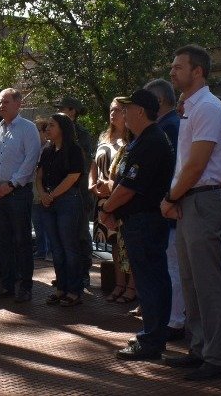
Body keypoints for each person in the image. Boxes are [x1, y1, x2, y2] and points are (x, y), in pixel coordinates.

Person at [160, 44, 221, 381]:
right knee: (191, 283)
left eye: (178, 67)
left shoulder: (207, 106)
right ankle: (201, 349)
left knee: (208, 283)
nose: (172, 72)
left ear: (198, 71)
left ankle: (217, 357)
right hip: (190, 200)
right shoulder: (191, 107)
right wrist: (177, 197)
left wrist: (170, 197)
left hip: (201, 199)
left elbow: (196, 164)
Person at [99, 89, 176, 361]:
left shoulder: (151, 141)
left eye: (128, 108)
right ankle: (153, 334)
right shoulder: (144, 140)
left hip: (144, 221)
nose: (123, 113)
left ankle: (153, 339)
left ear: (140, 111)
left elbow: (128, 187)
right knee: (151, 279)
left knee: (149, 280)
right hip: (139, 220)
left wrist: (107, 209)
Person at [0, 89, 40, 303]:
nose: (1, 105)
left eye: (6, 101)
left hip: (17, 192)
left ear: (18, 104)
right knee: (2, 240)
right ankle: (7, 284)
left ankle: (25, 285)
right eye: (0, 102)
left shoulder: (28, 128)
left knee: (21, 240)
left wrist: (12, 184)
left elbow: (31, 159)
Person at [144, 77, 185, 340]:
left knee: (173, 267)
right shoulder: (170, 125)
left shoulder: (168, 127)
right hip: (168, 207)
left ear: (157, 101)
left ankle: (175, 320)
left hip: (169, 208)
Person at [37, 113, 87, 307]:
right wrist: (42, 194)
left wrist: (52, 195)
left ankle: (74, 291)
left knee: (69, 246)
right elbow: (39, 175)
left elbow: (73, 177)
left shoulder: (74, 150)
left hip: (67, 201)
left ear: (63, 128)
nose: (47, 129)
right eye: (47, 125)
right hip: (49, 201)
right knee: (56, 248)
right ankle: (61, 288)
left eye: (52, 125)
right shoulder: (47, 150)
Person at [91, 98, 136, 305]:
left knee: (128, 243)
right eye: (110, 110)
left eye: (117, 110)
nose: (113, 113)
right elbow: (93, 165)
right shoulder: (103, 136)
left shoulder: (132, 139)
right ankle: (119, 284)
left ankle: (132, 287)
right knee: (115, 245)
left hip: (121, 196)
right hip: (101, 197)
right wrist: (91, 185)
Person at [54, 96, 95, 288]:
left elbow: (85, 163)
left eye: (63, 108)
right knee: (62, 237)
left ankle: (83, 273)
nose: (60, 111)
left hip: (80, 191)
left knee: (81, 235)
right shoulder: (56, 136)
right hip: (60, 193)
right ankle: (66, 275)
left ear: (73, 111)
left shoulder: (82, 134)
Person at [31, 118, 52, 260]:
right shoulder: (32, 147)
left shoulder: (50, 148)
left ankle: (46, 250)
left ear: (45, 132)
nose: (34, 133)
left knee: (45, 222)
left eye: (37, 130)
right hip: (33, 188)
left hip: (45, 190)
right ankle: (42, 249)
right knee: (36, 221)